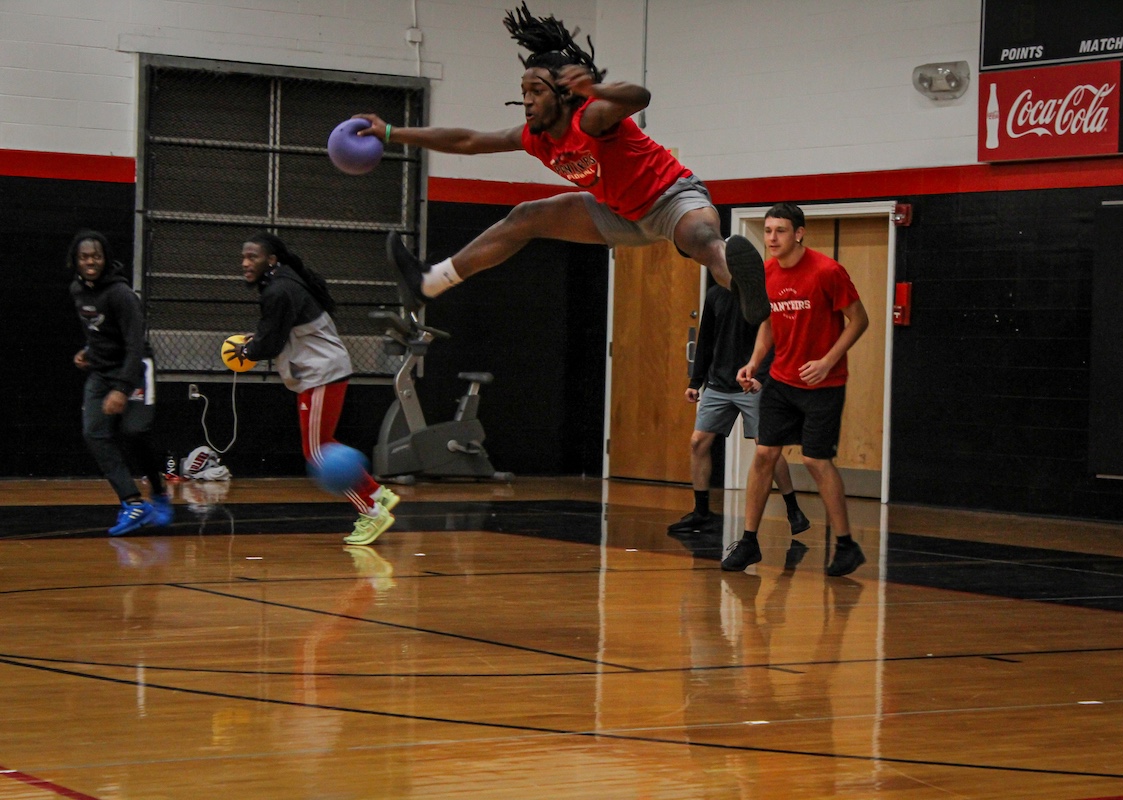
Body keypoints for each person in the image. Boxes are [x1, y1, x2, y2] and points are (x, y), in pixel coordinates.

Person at [352, 3, 768, 326]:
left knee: (701, 238)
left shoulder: (590, 117)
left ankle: (746, 292)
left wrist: (597, 87)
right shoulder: (534, 138)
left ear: (563, 95)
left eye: (536, 90)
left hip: (671, 197)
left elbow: (640, 97)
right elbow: (468, 140)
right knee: (526, 216)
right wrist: (392, 133)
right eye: (523, 91)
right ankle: (430, 282)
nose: (528, 100)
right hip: (618, 213)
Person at [720, 203, 869, 576]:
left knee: (817, 462)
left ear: (798, 233)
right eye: (768, 230)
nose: (771, 238)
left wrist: (828, 361)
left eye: (780, 231)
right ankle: (749, 542)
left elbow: (859, 320)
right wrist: (754, 362)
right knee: (764, 455)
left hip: (823, 384)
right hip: (781, 382)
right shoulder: (766, 273)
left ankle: (847, 545)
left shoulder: (827, 271)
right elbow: (769, 325)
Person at [232, 232, 398, 545]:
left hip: (321, 373)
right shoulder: (283, 282)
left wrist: (247, 351)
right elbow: (276, 334)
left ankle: (372, 512)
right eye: (243, 256)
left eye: (252, 256)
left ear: (271, 259)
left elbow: (270, 342)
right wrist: (256, 343)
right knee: (324, 445)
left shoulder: (279, 289)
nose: (244, 263)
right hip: (321, 372)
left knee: (317, 452)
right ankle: (377, 493)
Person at [668, 283, 811, 541]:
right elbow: (706, 340)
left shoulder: (763, 294)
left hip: (752, 384)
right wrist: (695, 381)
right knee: (698, 442)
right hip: (718, 383)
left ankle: (793, 510)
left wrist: (763, 379)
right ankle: (701, 512)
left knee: (767, 448)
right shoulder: (715, 295)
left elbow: (775, 339)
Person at [69, 230, 174, 535]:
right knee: (94, 433)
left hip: (135, 368)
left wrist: (121, 388)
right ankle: (133, 503)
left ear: (105, 258)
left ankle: (159, 493)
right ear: (76, 260)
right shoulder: (77, 290)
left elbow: (134, 345)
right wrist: (89, 351)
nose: (91, 261)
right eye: (85, 257)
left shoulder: (121, 294)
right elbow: (100, 331)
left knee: (135, 431)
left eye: (96, 256)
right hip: (102, 371)